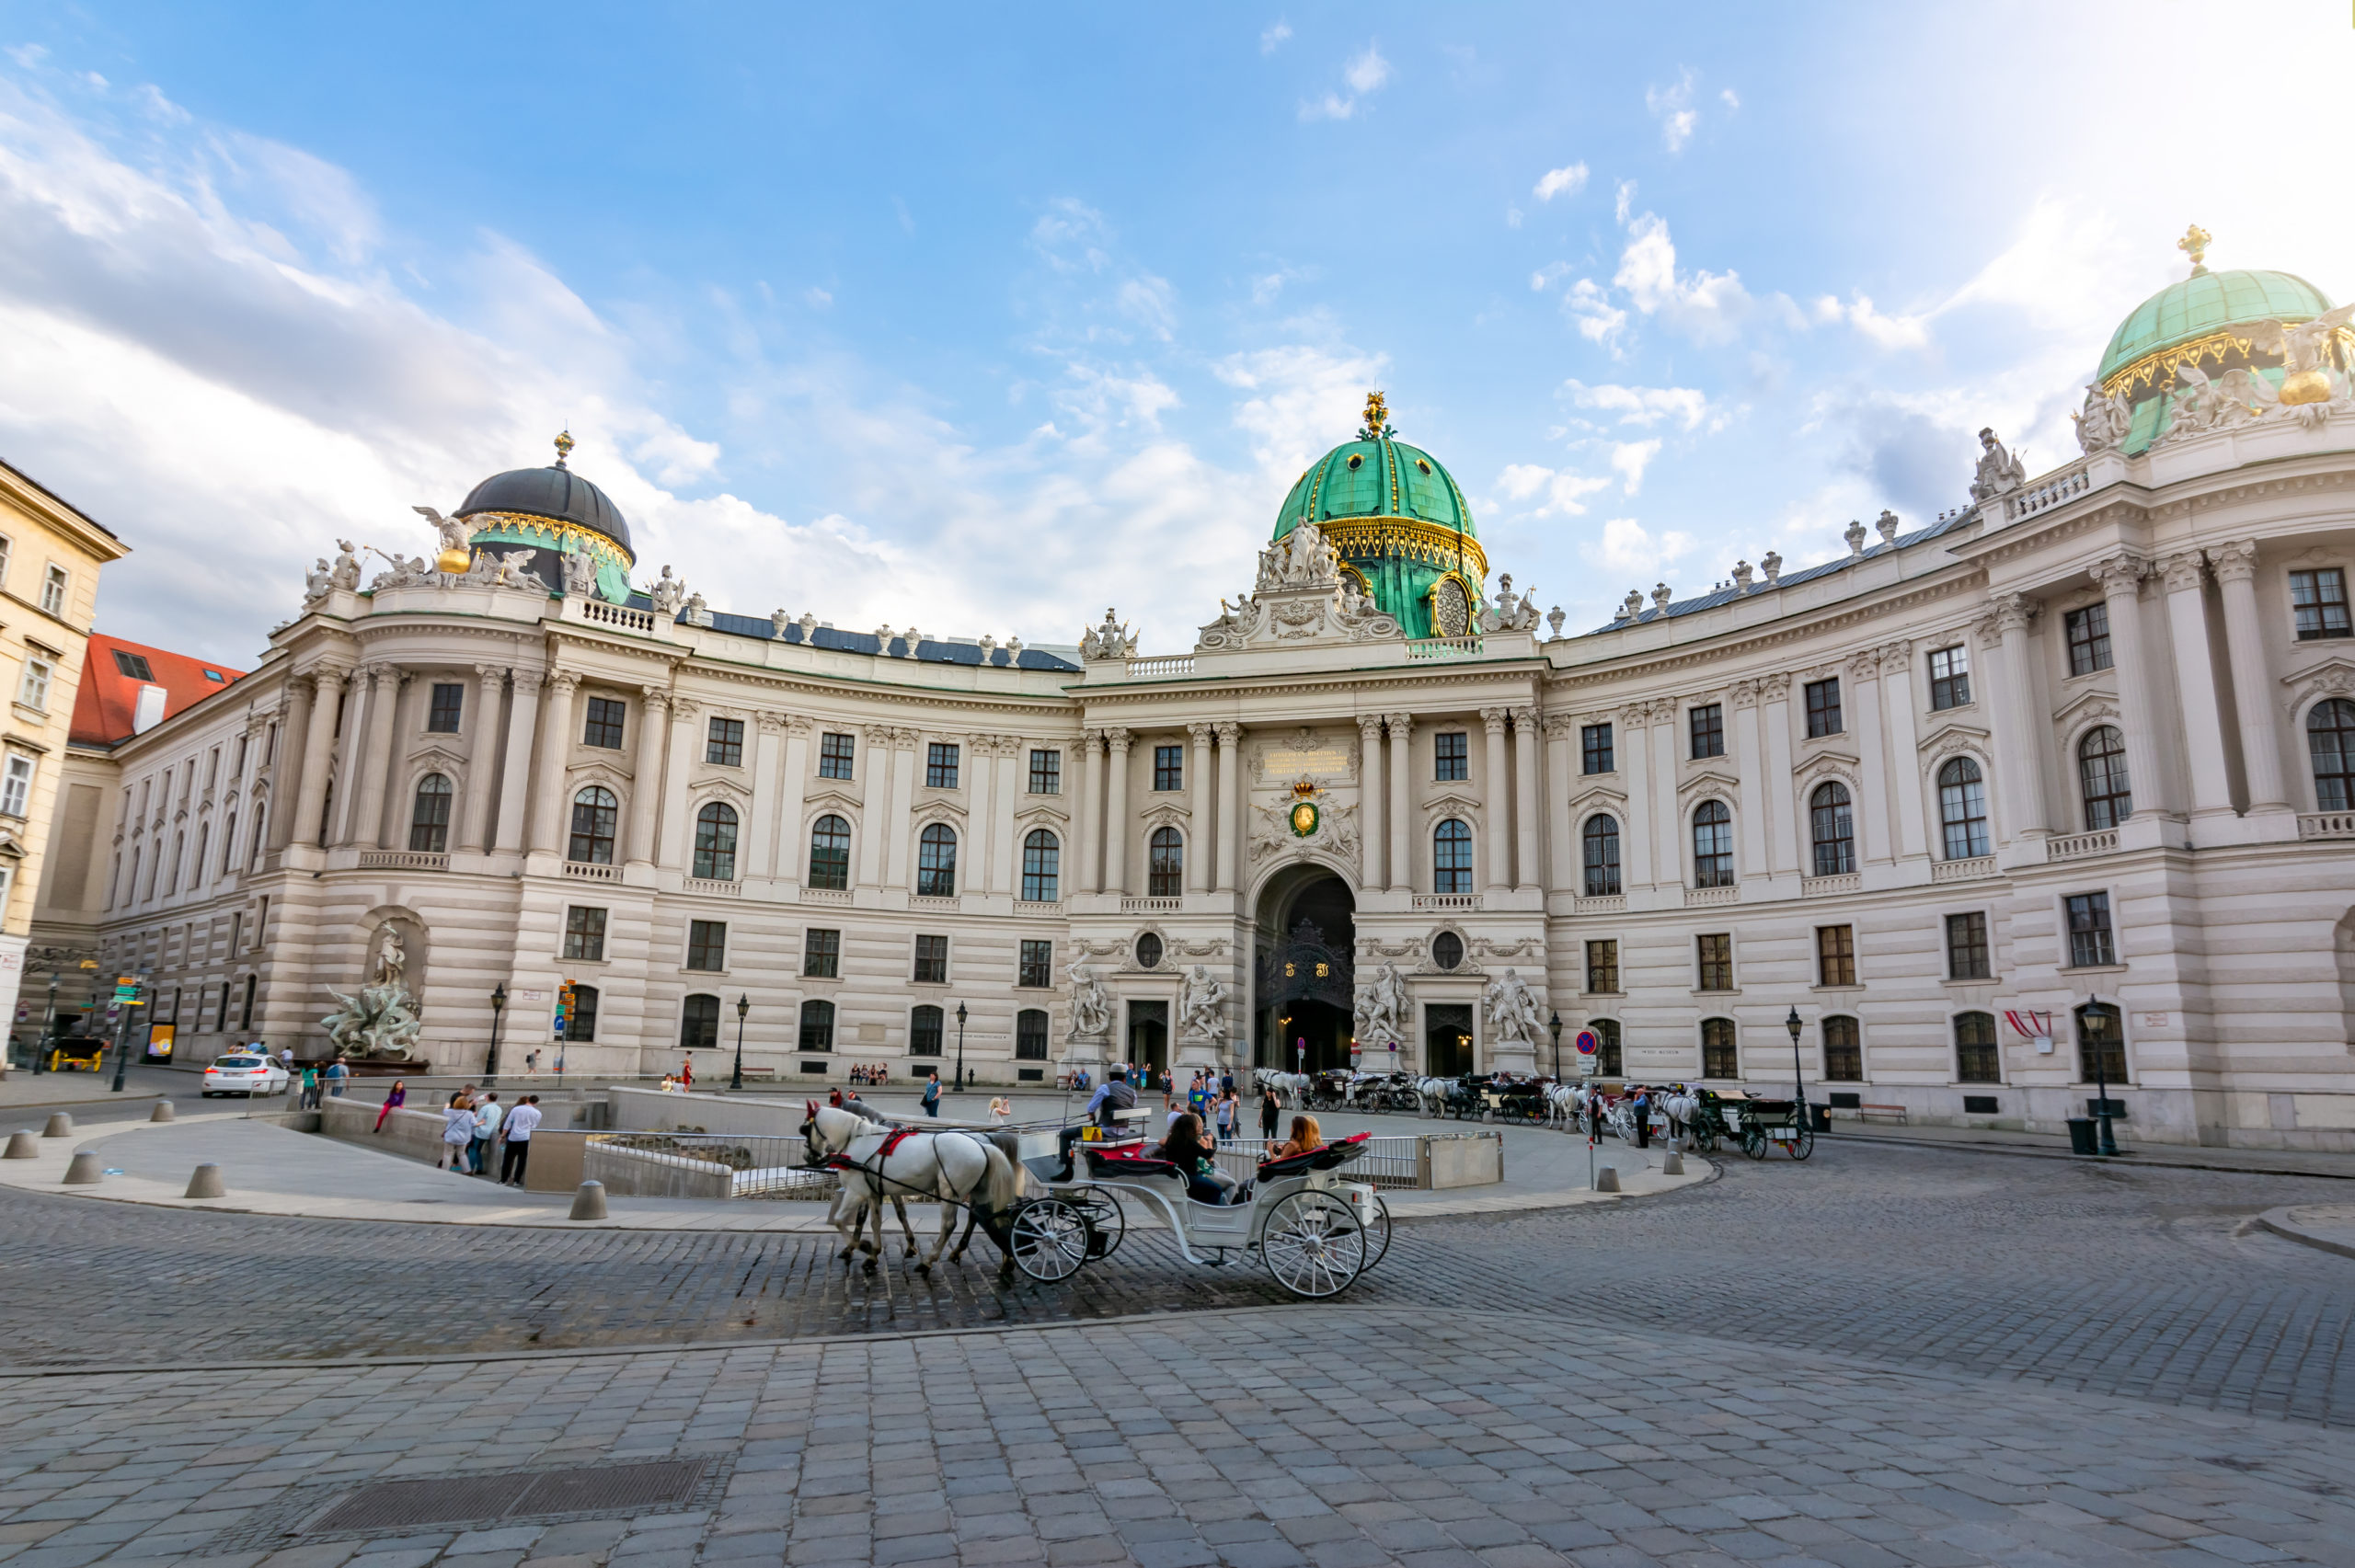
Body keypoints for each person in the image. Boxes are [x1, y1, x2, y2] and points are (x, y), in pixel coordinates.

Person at [1052, 1069, 1136, 1180]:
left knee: (1065, 1134)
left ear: (1110, 1078)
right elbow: (1131, 1105)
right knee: (1093, 1129)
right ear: (1125, 1079)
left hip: (1103, 1133)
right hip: (1123, 1131)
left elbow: (1091, 1108)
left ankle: (1068, 1170)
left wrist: (1091, 1115)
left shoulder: (1105, 1088)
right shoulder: (1132, 1092)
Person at [1152, 1113, 1236, 1205]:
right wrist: (1210, 1141)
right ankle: (1218, 1210)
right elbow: (1207, 1154)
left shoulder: (1171, 1141)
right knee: (1217, 1189)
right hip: (1191, 1177)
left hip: (1179, 1176)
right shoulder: (1190, 1142)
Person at [500, 1094, 541, 1186]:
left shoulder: (516, 1109)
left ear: (528, 1100)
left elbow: (507, 1124)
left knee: (508, 1159)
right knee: (521, 1160)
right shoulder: (537, 1113)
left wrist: (503, 1136)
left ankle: (503, 1179)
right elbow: (534, 1126)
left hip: (513, 1137)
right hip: (525, 1138)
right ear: (536, 1103)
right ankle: (516, 1180)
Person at [438, 1093, 474, 1172]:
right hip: (463, 1138)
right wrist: (482, 1122)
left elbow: (445, 1111)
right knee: (461, 1154)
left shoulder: (452, 1112)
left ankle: (445, 1169)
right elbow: (474, 1123)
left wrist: (446, 1106)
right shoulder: (469, 1114)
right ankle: (467, 1170)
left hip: (451, 1136)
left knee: (448, 1153)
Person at [471, 1092, 502, 1175]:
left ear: (487, 1098)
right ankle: (479, 1168)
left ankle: (472, 1168)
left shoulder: (485, 1108)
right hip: (490, 1131)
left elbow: (477, 1121)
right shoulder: (499, 1108)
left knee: (474, 1150)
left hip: (480, 1131)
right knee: (478, 1150)